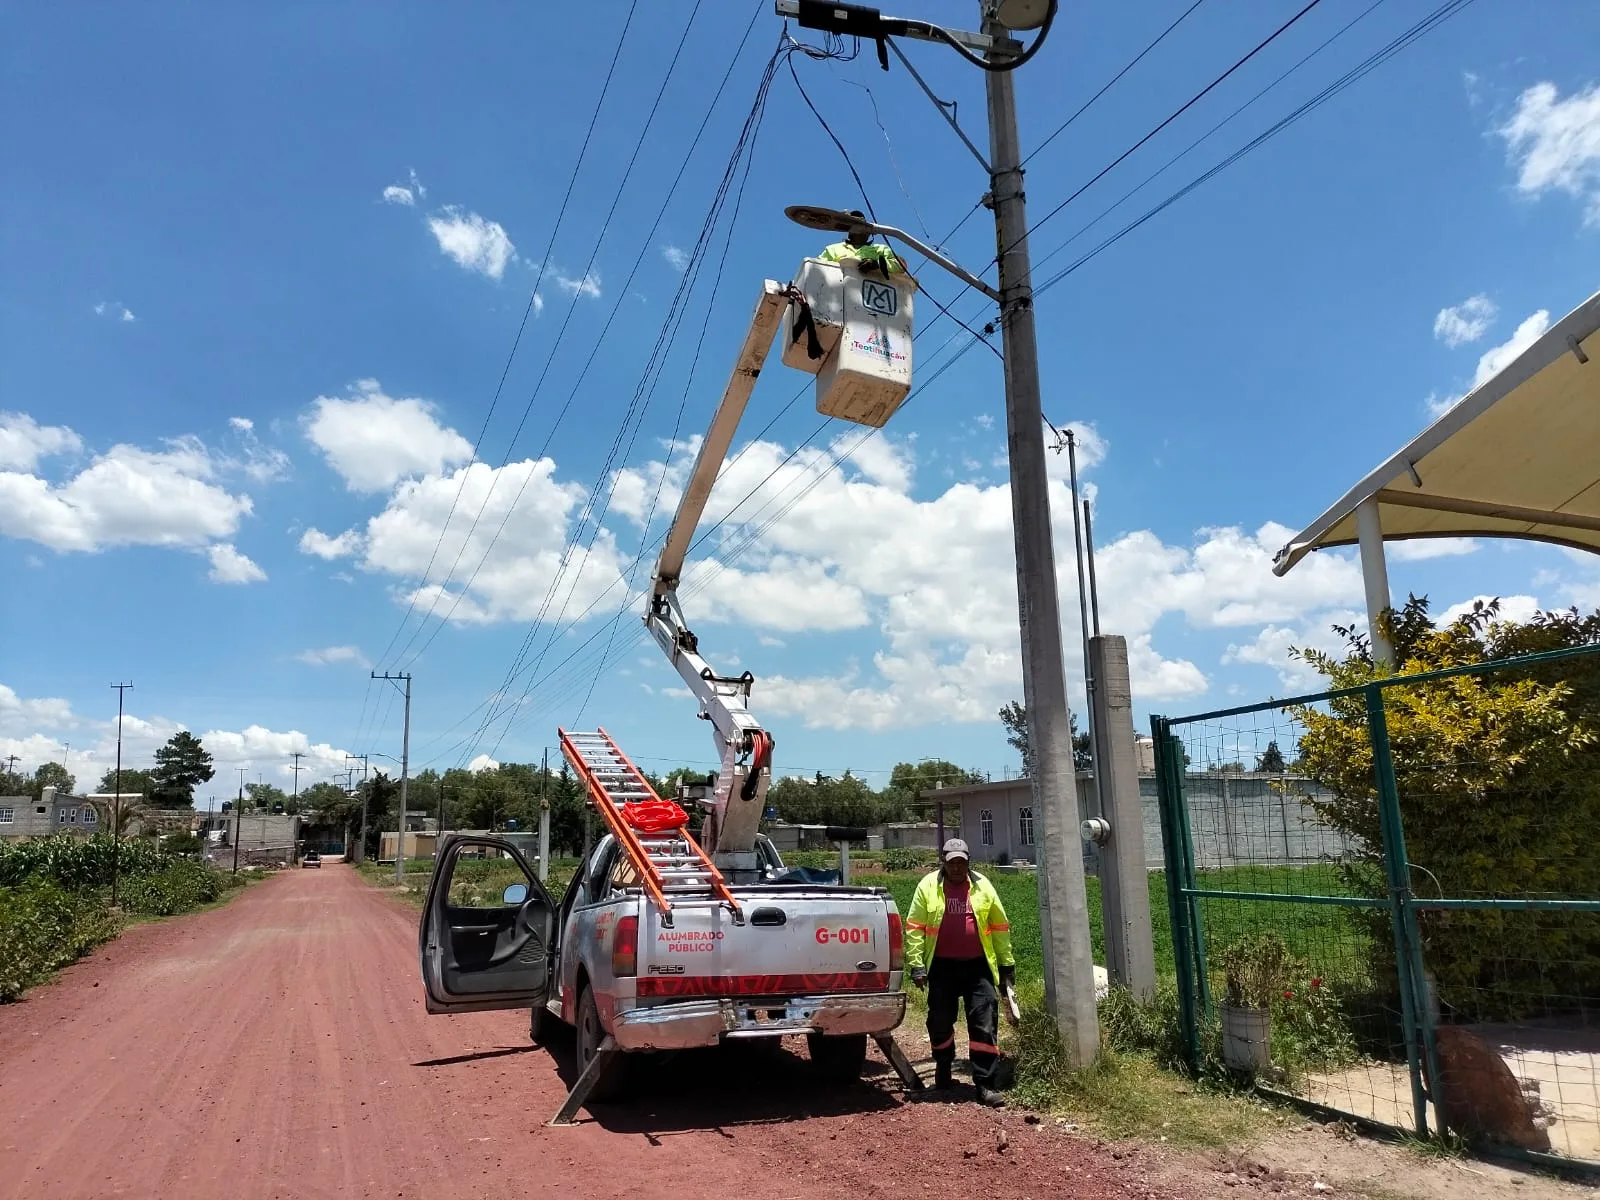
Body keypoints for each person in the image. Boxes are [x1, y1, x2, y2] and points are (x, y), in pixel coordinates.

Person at [904, 838, 1015, 1107]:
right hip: (941, 966)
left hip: (978, 966)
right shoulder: (927, 886)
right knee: (940, 1020)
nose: (957, 867)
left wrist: (1006, 964)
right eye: (952, 862)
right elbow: (915, 927)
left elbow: (999, 926)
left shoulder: (983, 886)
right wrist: (917, 964)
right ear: (944, 861)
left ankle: (985, 1084)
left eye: (961, 862)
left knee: (984, 1023)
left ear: (968, 862)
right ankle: (943, 1067)